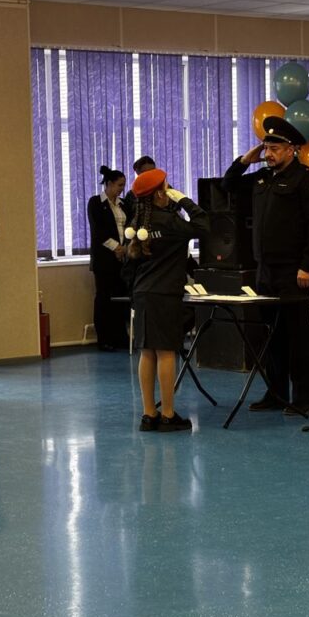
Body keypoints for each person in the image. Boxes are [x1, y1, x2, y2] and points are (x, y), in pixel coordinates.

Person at [222, 116, 309, 416]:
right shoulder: (261, 178)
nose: (268, 153)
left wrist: (308, 265)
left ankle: (304, 398)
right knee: (272, 335)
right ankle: (276, 393)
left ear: (291, 149)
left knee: (298, 337)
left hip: (293, 271)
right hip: (265, 270)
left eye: (275, 148)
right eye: (266, 147)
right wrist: (245, 160)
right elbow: (228, 184)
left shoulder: (306, 180)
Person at [124, 168, 208, 432]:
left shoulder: (139, 223)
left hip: (142, 293)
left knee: (147, 352)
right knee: (166, 352)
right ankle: (168, 414)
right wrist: (183, 200)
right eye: (167, 187)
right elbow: (204, 225)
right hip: (164, 293)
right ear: (161, 193)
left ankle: (149, 414)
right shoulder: (170, 221)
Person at [87, 166, 130, 352]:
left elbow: (130, 227)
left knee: (121, 298)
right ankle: (104, 338)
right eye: (119, 185)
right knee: (104, 298)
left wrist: (125, 247)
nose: (122, 189)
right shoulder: (96, 203)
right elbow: (98, 230)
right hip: (104, 259)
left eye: (124, 185)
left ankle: (120, 336)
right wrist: (116, 247)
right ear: (110, 184)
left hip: (123, 259)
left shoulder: (123, 204)